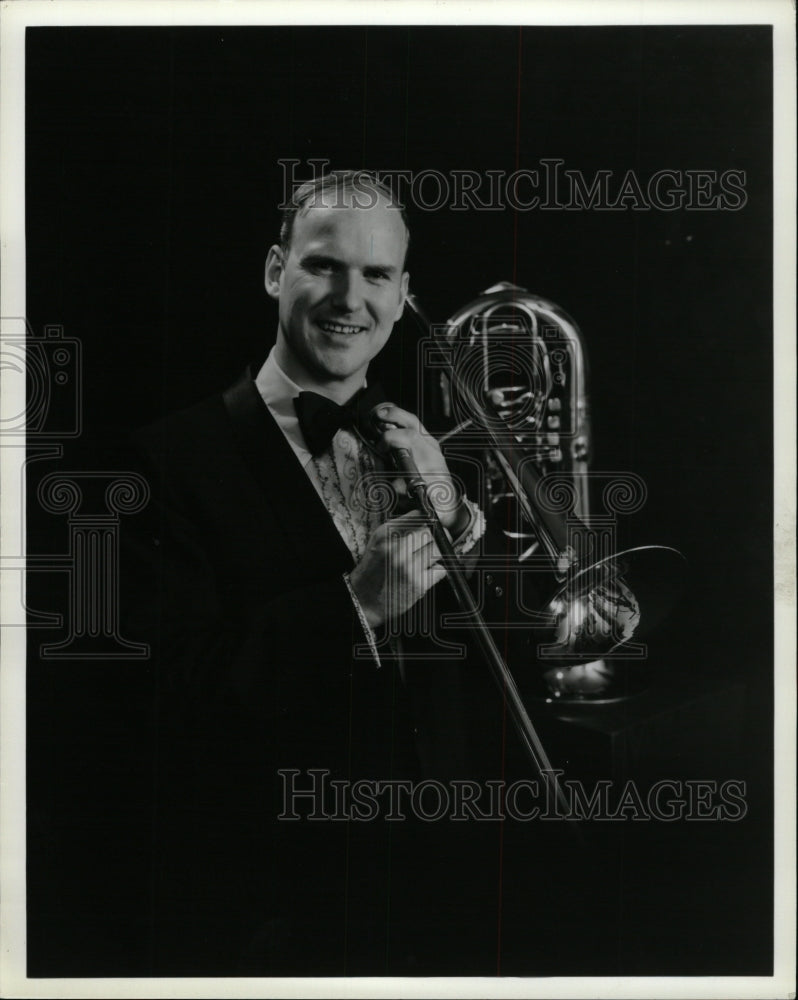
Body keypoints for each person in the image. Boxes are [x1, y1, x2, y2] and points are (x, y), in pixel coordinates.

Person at [122, 171, 491, 976]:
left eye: (377, 275)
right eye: (324, 265)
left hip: (441, 890)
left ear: (402, 296)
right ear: (273, 270)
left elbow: (480, 667)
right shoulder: (163, 462)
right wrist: (354, 604)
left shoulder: (416, 445)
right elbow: (171, 700)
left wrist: (458, 519)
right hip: (278, 908)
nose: (349, 298)